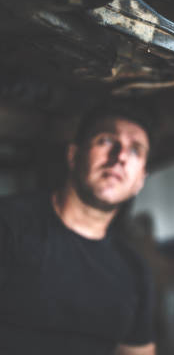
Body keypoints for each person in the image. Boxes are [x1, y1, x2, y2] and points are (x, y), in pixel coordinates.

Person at [0, 103, 156, 355]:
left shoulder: (135, 272)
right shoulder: (8, 225)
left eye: (136, 150)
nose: (121, 156)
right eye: (106, 140)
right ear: (73, 156)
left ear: (140, 181)